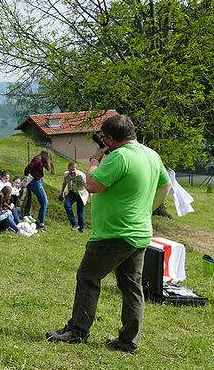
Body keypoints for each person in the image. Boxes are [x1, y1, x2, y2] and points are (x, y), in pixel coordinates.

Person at [46, 114, 170, 353]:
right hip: (139, 231)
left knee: (88, 276)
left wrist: (94, 159)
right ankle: (128, 341)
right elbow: (166, 185)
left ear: (110, 139)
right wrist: (148, 210)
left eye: (104, 139)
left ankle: (77, 330)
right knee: (131, 285)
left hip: (114, 233)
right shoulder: (151, 154)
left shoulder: (119, 157)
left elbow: (91, 184)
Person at [22, 149, 54, 230]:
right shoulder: (37, 160)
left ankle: (39, 222)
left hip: (38, 181)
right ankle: (40, 224)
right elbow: (27, 168)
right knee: (44, 203)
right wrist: (25, 180)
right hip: (35, 182)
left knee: (44, 203)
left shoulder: (38, 159)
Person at [58, 162, 89, 232]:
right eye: (70, 170)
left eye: (73, 170)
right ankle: (75, 224)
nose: (72, 172)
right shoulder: (66, 174)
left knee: (80, 213)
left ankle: (81, 229)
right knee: (66, 204)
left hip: (81, 194)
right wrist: (62, 192)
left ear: (76, 169)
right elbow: (65, 182)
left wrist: (92, 197)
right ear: (68, 170)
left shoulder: (81, 175)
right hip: (72, 192)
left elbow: (87, 187)